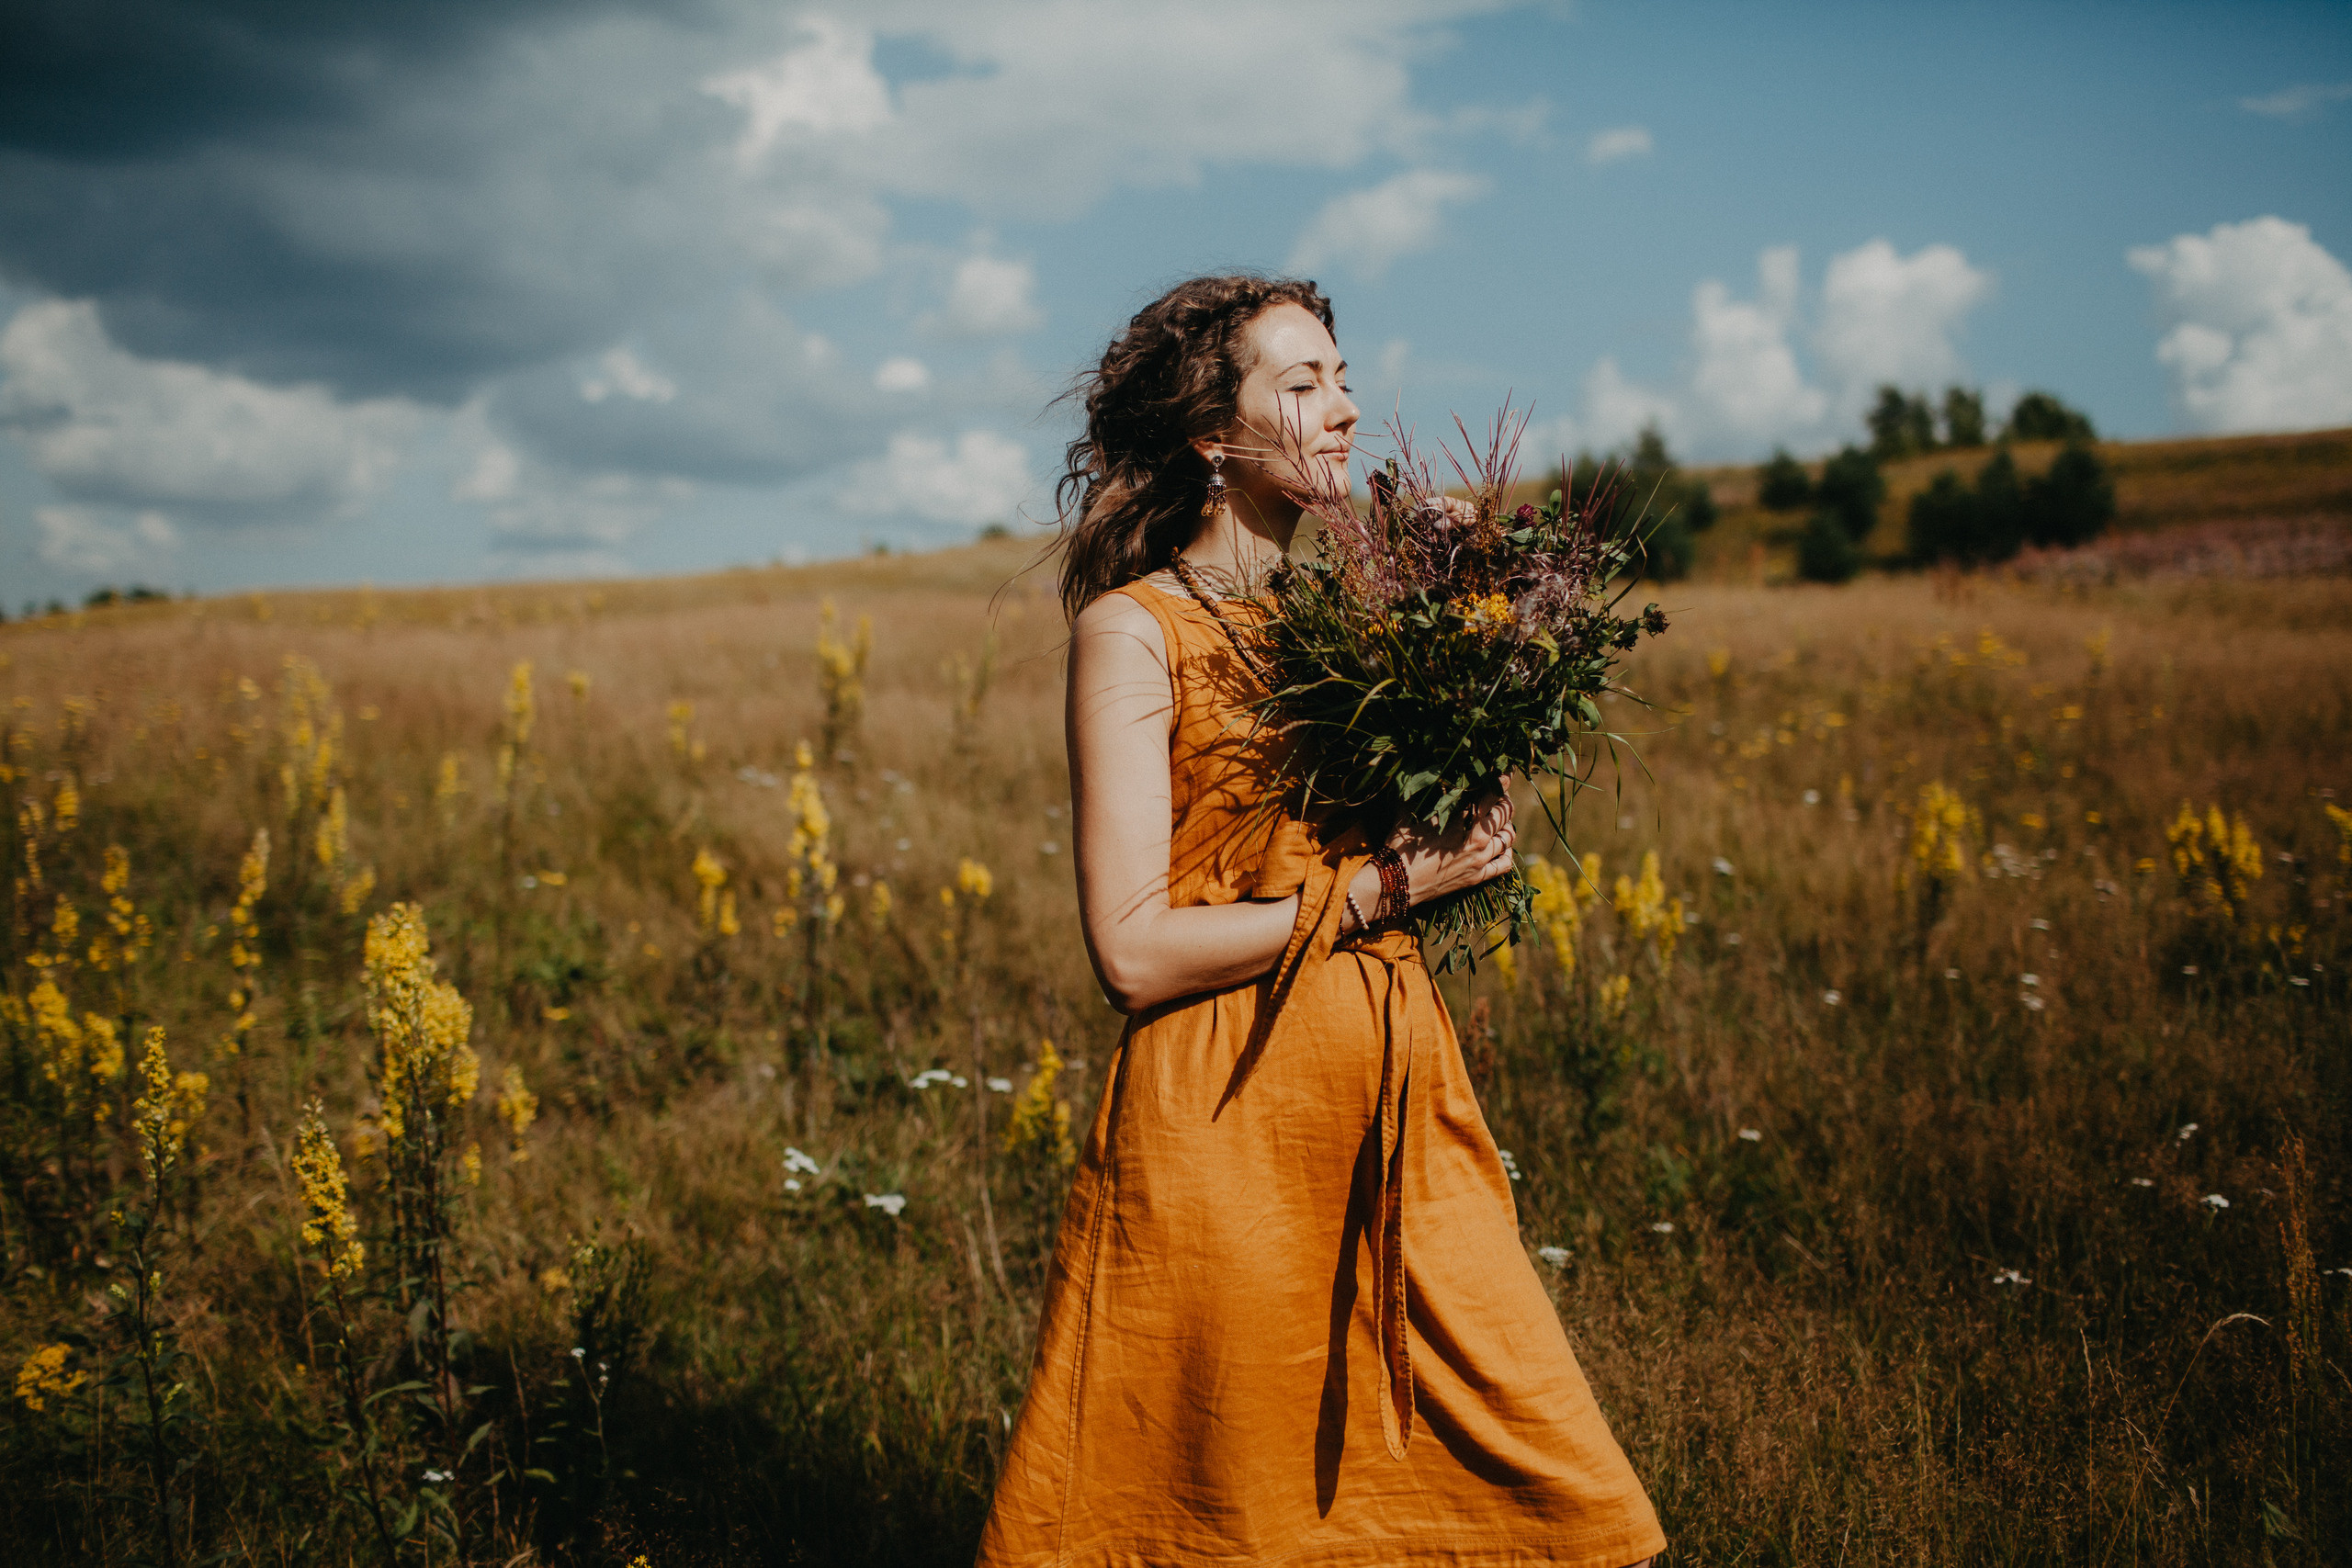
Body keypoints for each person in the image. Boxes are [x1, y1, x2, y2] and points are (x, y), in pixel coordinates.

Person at [977, 275, 1663, 1567]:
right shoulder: (1138, 634)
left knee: (1568, 1505)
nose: (1345, 411)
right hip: (1226, 1119)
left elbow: (1471, 835)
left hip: (1399, 1107)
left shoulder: (1362, 625)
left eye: (1343, 378)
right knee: (1233, 1518)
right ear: (1211, 438)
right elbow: (1130, 950)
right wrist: (1390, 890)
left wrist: (1484, 615)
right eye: (1302, 385)